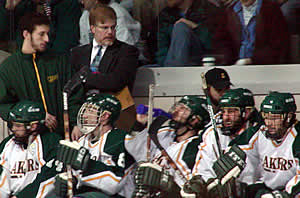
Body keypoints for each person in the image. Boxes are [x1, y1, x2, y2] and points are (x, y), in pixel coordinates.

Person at [0, 13, 84, 138]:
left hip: (64, 135)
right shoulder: (8, 68)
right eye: (41, 34)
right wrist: (36, 115)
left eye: (47, 34)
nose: (47, 39)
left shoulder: (59, 60)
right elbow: (4, 105)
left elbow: (75, 93)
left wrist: (77, 123)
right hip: (29, 139)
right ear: (26, 34)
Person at [70, 4, 139, 138]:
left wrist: (84, 78)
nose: (110, 32)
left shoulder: (127, 52)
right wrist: (76, 122)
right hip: (83, 121)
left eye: (113, 27)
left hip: (115, 120)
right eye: (104, 28)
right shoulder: (77, 54)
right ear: (92, 29)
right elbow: (73, 92)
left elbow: (115, 82)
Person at [126, 95, 210, 197]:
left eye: (183, 109)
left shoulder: (194, 147)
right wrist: (140, 124)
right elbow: (132, 147)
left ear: (195, 120)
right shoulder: (166, 134)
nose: (176, 111)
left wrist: (167, 185)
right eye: (177, 106)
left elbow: (190, 189)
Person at [54, 94, 135, 197]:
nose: (84, 115)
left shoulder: (120, 139)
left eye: (90, 111)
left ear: (105, 117)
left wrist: (88, 165)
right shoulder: (82, 141)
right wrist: (70, 181)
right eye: (85, 110)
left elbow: (118, 183)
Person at [182, 88, 259, 197]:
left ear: (246, 112)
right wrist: (202, 183)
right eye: (223, 111)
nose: (226, 117)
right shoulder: (213, 133)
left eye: (231, 111)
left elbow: (266, 176)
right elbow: (203, 169)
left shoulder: (260, 135)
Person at [227, 92, 300, 197]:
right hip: (267, 189)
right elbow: (237, 148)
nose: (269, 123)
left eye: (274, 118)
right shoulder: (258, 132)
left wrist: (284, 194)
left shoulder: (297, 137)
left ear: (288, 117)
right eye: (265, 117)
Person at [0, 100, 62, 197]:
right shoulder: (7, 145)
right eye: (12, 125)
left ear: (33, 126)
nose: (13, 129)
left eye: (18, 126)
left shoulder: (51, 142)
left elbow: (48, 178)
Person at [213, 0, 290, 65]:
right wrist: (230, 60)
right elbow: (222, 40)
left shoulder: (271, 10)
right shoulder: (229, 11)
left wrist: (252, 60)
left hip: (264, 67)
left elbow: (278, 45)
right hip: (236, 66)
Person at [0, 0, 82, 54]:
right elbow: (3, 35)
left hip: (51, 65)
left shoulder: (68, 5)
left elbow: (64, 46)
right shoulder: (25, 5)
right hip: (23, 62)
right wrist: (8, 10)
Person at [155, 0, 219, 67]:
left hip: (201, 63)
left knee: (181, 28)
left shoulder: (208, 10)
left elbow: (213, 45)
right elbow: (161, 50)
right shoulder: (165, 15)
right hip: (169, 65)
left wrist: (194, 27)